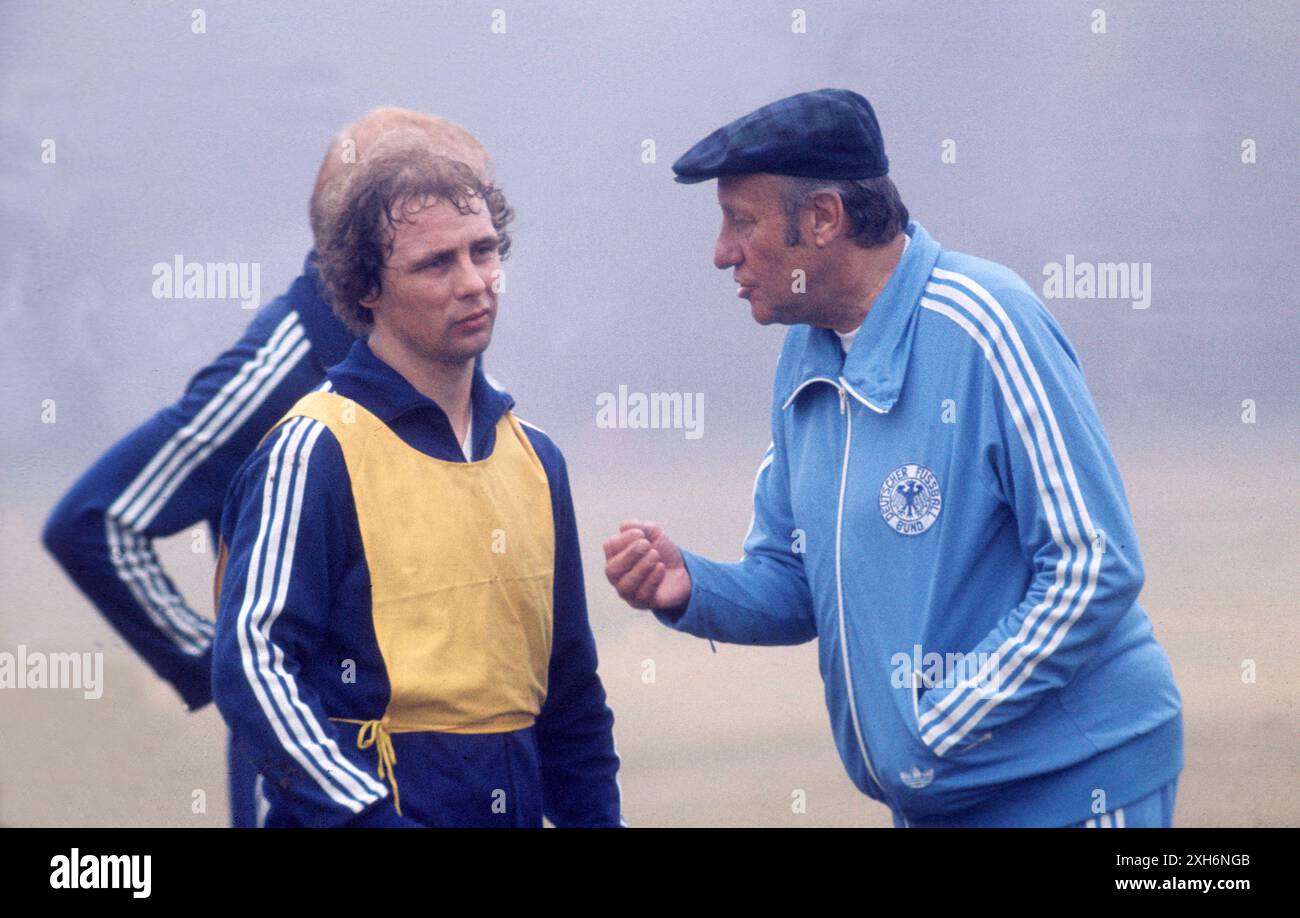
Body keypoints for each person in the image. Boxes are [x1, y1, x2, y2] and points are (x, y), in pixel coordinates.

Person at [603, 88, 1182, 828]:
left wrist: (934, 728)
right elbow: (794, 575)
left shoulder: (987, 324)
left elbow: (1093, 565)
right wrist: (690, 587)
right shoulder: (803, 361)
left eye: (740, 221)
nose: (722, 253)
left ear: (822, 219)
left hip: (1074, 789)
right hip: (941, 805)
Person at [41, 107, 493, 827]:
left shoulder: (444, 370)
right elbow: (96, 521)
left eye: (481, 242)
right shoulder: (281, 368)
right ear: (365, 243)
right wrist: (220, 667)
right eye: (437, 247)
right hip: (306, 796)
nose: (474, 270)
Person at [210, 136, 622, 828]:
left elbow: (571, 698)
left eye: (483, 251)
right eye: (436, 263)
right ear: (366, 287)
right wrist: (366, 819)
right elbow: (252, 667)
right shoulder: (314, 449)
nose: (473, 281)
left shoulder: (537, 459)